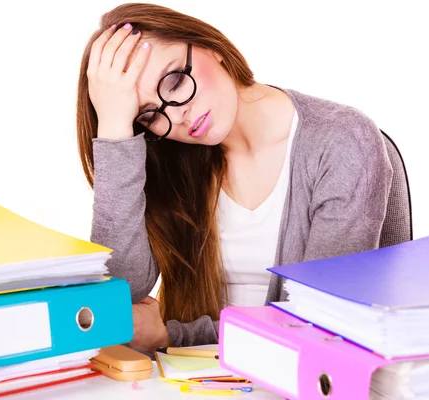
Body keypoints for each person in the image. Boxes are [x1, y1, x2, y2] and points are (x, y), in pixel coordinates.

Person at [76, 3, 394, 353]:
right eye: (149, 114)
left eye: (176, 80)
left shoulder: (340, 139)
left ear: (210, 46)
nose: (178, 114)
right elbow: (122, 294)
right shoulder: (169, 161)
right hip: (192, 384)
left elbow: (321, 322)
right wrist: (115, 130)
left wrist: (174, 334)